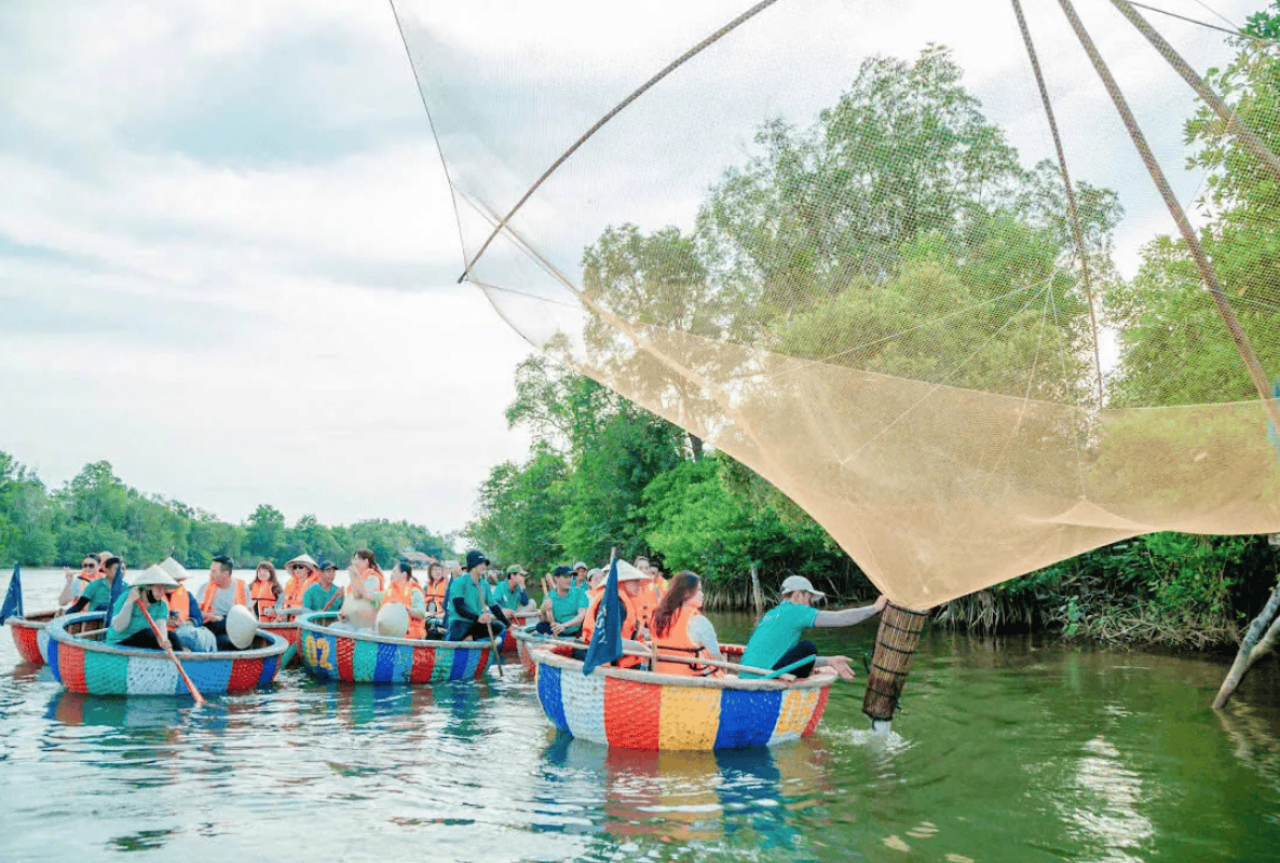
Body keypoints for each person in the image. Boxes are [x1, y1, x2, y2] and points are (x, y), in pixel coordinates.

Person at [739, 575, 887, 680]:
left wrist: (829, 661)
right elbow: (840, 618)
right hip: (764, 678)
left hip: (746, 675)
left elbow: (786, 661)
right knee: (808, 647)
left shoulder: (771, 614)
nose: (809, 605)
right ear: (797, 595)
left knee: (803, 652)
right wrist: (875, 608)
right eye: (809, 599)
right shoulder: (796, 610)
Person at [650, 572, 724, 676]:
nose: (702, 595)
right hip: (692, 681)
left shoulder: (657, 618)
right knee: (730, 677)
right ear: (686, 593)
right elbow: (717, 659)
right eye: (699, 590)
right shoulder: (699, 621)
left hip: (663, 679)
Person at [580, 560, 650, 667]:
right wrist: (642, 648)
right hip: (605, 662)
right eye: (635, 581)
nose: (639, 584)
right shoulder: (615, 603)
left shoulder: (618, 600)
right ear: (623, 582)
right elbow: (610, 640)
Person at [107, 567, 182, 651]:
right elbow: (118, 627)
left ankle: (181, 658)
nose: (162, 592)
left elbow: (160, 628)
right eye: (159, 588)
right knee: (147, 633)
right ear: (148, 587)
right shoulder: (126, 597)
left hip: (143, 641)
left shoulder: (161, 605)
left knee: (172, 636)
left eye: (164, 589)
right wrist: (129, 602)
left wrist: (164, 641)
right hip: (119, 641)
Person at [444, 550, 512, 642]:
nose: (484, 566)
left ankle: (471, 638)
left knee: (500, 628)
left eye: (485, 564)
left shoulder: (485, 584)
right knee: (457, 633)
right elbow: (459, 608)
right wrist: (478, 618)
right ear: (473, 565)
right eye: (481, 564)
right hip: (460, 621)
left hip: (475, 622)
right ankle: (465, 639)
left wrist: (508, 624)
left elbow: (494, 607)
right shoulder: (459, 582)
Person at [197, 556, 249, 649]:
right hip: (213, 625)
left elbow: (250, 612)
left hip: (235, 625)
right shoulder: (205, 587)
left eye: (214, 572)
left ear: (225, 574)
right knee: (223, 640)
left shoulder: (242, 587)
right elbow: (195, 613)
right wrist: (208, 616)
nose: (210, 575)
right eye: (210, 571)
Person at [537, 565, 588, 638]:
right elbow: (544, 619)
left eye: (570, 577)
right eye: (566, 577)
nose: (569, 580)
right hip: (557, 631)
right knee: (540, 626)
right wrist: (542, 610)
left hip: (575, 631)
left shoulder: (579, 592)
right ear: (556, 578)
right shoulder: (548, 596)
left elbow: (581, 616)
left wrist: (564, 626)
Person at [338, 549, 383, 630]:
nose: (354, 562)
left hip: (366, 623)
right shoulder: (358, 578)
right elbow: (352, 598)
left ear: (366, 561)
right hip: (354, 621)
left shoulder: (373, 578)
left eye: (356, 559)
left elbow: (362, 596)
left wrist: (354, 576)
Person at [383, 561, 427, 639]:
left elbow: (421, 614)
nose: (391, 575)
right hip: (391, 632)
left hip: (410, 634)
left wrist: (404, 609)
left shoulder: (414, 591)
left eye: (394, 572)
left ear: (404, 574)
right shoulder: (389, 590)